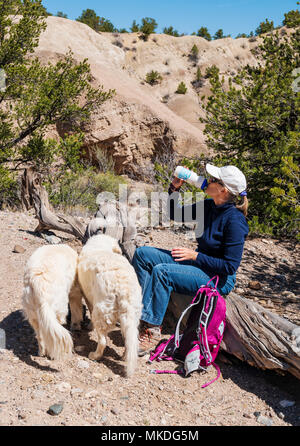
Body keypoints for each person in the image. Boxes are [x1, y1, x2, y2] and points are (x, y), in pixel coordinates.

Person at [132, 163, 249, 356]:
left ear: (223, 189)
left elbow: (230, 266)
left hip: (219, 277)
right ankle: (141, 312)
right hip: (200, 264)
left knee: (162, 272)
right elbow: (175, 214)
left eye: (213, 179)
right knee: (143, 255)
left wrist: (195, 256)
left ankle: (151, 329)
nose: (207, 180)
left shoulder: (235, 221)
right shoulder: (210, 206)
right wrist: (174, 189)